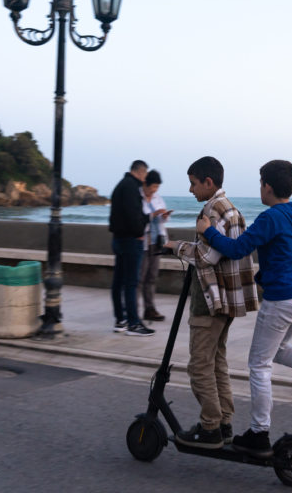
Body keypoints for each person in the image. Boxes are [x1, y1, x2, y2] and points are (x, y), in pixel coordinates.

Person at [196, 159, 292, 458]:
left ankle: (259, 432)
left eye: (260, 184)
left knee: (258, 364)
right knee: (276, 350)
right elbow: (286, 253)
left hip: (281, 300)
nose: (260, 189)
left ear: (267, 186)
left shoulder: (271, 218)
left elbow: (237, 248)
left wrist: (208, 231)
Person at [163, 156, 258, 449]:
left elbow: (207, 257)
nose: (190, 190)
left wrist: (173, 246)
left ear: (208, 182)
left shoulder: (212, 210)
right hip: (228, 298)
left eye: (193, 183)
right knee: (217, 362)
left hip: (211, 298)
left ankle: (210, 428)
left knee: (199, 366)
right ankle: (224, 421)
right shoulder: (232, 208)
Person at [108, 160, 155, 336]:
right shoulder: (131, 187)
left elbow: (119, 215)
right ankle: (134, 324)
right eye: (145, 175)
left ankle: (120, 320)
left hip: (118, 239)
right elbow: (132, 214)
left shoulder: (120, 185)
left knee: (118, 281)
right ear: (141, 172)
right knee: (131, 283)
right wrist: (140, 229)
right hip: (131, 240)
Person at [139, 169, 171, 322]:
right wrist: (153, 214)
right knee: (139, 278)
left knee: (152, 277)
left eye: (157, 187)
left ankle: (149, 309)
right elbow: (138, 218)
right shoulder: (138, 197)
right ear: (145, 184)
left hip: (156, 241)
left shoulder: (158, 198)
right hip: (142, 241)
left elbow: (163, 222)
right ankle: (133, 311)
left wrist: (164, 216)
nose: (154, 190)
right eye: (153, 187)